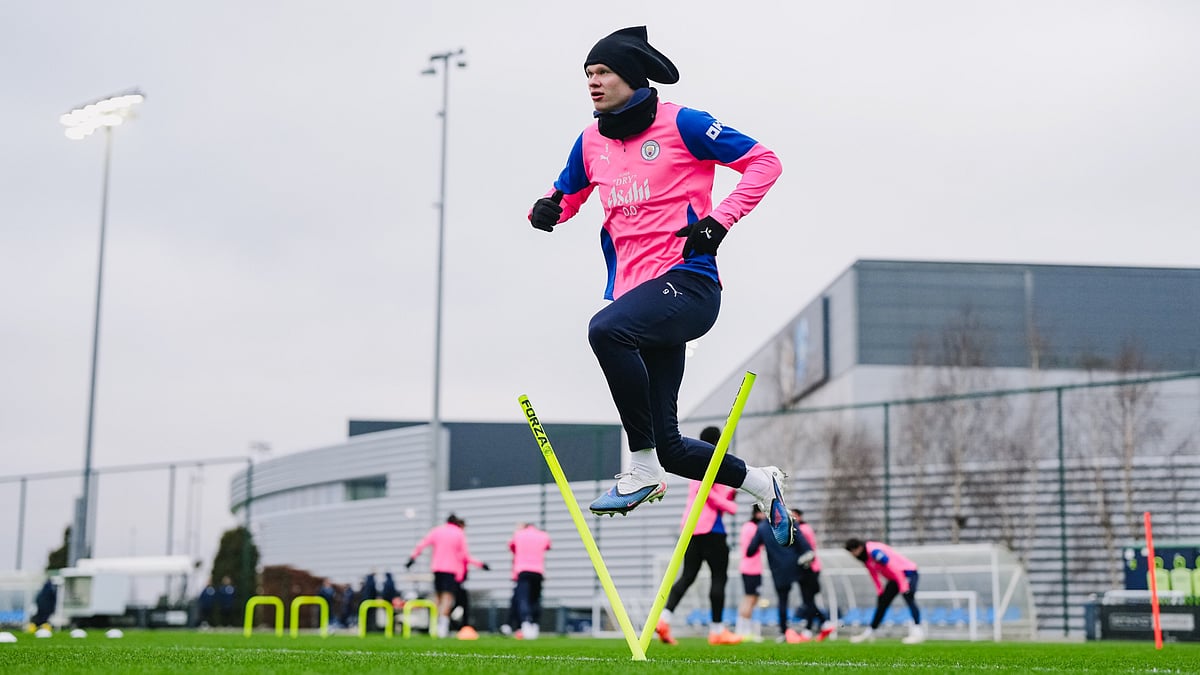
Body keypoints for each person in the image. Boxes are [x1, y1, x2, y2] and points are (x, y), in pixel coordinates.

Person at [527, 25, 794, 547]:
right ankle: (763, 483)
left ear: (630, 75)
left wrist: (719, 222)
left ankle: (641, 468)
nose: (593, 83)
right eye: (587, 75)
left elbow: (765, 162)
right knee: (672, 448)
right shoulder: (590, 141)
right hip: (637, 300)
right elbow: (568, 192)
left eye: (602, 72)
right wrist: (548, 209)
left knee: (605, 332)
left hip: (688, 286)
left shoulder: (684, 123)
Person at [655, 426, 741, 645]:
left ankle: (664, 619)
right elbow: (709, 494)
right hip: (712, 529)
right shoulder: (713, 462)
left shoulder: (693, 460)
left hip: (692, 528)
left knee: (688, 576)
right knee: (718, 577)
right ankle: (717, 630)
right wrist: (731, 506)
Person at [406, 514, 488, 639]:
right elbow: (465, 555)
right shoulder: (458, 533)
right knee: (447, 598)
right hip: (451, 570)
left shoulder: (437, 531)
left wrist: (412, 558)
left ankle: (434, 624)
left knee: (438, 597)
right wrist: (481, 564)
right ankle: (442, 626)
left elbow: (422, 544)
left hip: (437, 569)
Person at [747, 507, 814, 643]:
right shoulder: (788, 521)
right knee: (807, 598)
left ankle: (783, 632)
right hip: (797, 564)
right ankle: (808, 629)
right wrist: (807, 553)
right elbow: (802, 541)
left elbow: (750, 550)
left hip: (778, 569)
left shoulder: (762, 527)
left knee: (782, 601)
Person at [844, 538, 924, 644]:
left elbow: (893, 566)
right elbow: (873, 574)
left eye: (853, 552)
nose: (853, 555)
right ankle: (870, 632)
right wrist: (880, 591)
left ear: (859, 548)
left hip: (907, 572)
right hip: (894, 578)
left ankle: (917, 632)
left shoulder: (874, 552)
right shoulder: (865, 557)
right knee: (883, 602)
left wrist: (903, 585)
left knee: (909, 598)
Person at [793, 510, 835, 642]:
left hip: (809, 568)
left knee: (808, 600)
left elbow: (807, 551)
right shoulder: (805, 528)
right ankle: (819, 625)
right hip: (808, 568)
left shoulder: (802, 530)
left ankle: (814, 627)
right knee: (809, 600)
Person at [508, 521, 552, 639]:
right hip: (538, 571)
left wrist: (517, 531)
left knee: (523, 599)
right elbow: (548, 546)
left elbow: (511, 547)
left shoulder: (518, 534)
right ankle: (535, 624)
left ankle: (526, 622)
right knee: (535, 599)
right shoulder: (543, 535)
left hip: (523, 571)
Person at [735, 504, 766, 641]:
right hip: (750, 568)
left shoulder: (748, 527)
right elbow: (750, 549)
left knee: (752, 599)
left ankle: (742, 629)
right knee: (749, 599)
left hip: (753, 568)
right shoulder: (753, 528)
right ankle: (744, 630)